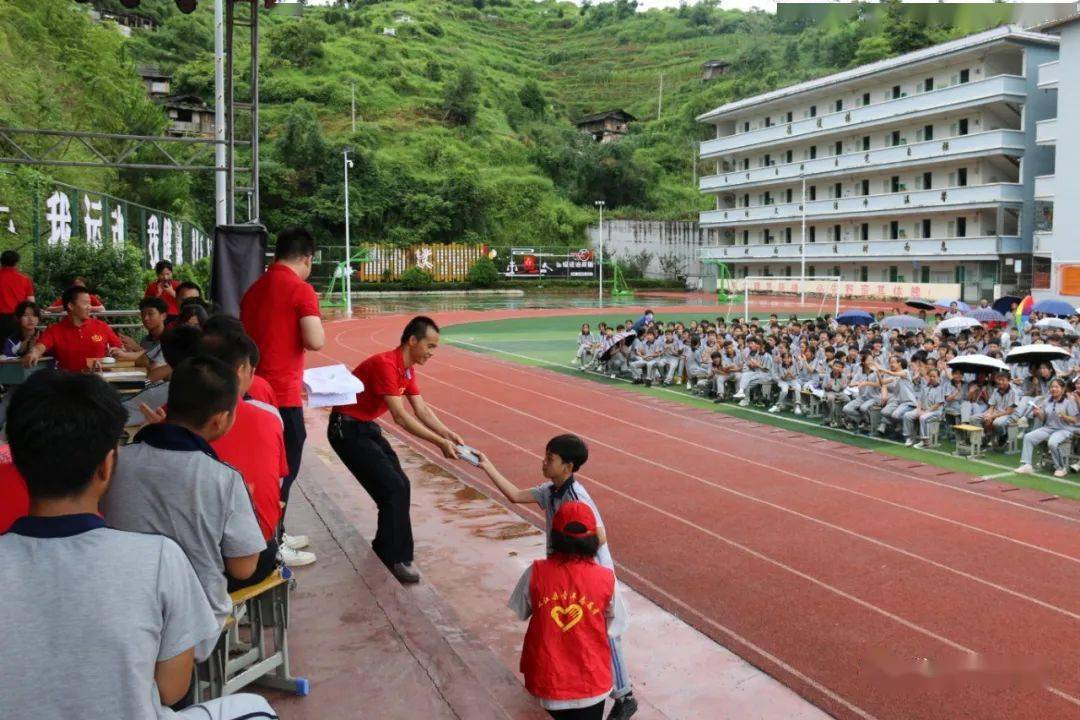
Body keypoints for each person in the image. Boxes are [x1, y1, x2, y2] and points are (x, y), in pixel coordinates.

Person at [0, 370, 276, 720]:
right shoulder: (159, 559)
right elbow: (171, 689)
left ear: (20, 463)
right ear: (106, 465)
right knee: (257, 711)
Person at [102, 356, 267, 661]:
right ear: (220, 420)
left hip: (122, 609)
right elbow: (243, 568)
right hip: (193, 626)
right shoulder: (223, 478)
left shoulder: (115, 462)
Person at [477, 435, 637, 720]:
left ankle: (624, 695)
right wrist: (486, 465)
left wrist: (576, 563)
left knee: (603, 634)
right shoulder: (550, 491)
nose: (543, 462)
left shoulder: (577, 499)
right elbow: (514, 495)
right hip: (564, 568)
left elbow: (600, 534)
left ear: (568, 465)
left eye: (550, 459)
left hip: (587, 570)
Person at [329, 316, 464, 584]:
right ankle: (396, 558)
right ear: (412, 341)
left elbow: (421, 409)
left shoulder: (407, 370)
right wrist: (439, 443)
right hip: (346, 430)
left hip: (365, 428)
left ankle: (385, 548)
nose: (431, 353)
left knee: (400, 484)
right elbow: (401, 417)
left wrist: (447, 433)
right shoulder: (385, 365)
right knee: (393, 488)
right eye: (430, 346)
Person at [199, 329, 312, 570]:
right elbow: (277, 481)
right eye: (252, 369)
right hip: (248, 553)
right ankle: (278, 542)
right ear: (240, 371)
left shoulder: (166, 418)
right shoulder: (263, 415)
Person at [241, 227, 324, 554]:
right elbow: (315, 340)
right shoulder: (300, 290)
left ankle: (278, 530)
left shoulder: (254, 289)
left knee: (262, 466)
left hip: (251, 390)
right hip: (282, 395)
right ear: (307, 258)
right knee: (281, 470)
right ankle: (272, 542)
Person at [507, 501, 626, 720]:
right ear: (592, 538)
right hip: (590, 684)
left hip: (545, 682)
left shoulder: (536, 572)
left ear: (555, 536)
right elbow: (615, 626)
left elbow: (520, 611)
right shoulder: (607, 579)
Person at [22, 285, 141, 371]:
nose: (89, 307)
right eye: (85, 303)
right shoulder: (55, 330)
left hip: (98, 382)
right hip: (69, 385)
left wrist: (123, 351)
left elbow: (121, 350)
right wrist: (33, 353)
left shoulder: (102, 327)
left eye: (90, 303)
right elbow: (40, 347)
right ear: (70, 306)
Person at [1016, 378, 1078, 477]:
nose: (1054, 389)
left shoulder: (1068, 402)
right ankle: (1026, 464)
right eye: (1052, 387)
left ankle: (1061, 468)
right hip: (1048, 428)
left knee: (1052, 443)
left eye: (1056, 387)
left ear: (1062, 389)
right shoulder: (1047, 401)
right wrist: (1038, 413)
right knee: (1028, 437)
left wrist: (1065, 416)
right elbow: (1043, 418)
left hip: (1064, 429)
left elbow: (1075, 420)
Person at [0, 249, 34, 342]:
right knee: (14, 351)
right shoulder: (25, 279)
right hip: (18, 319)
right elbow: (31, 302)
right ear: (16, 263)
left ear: (1, 262)